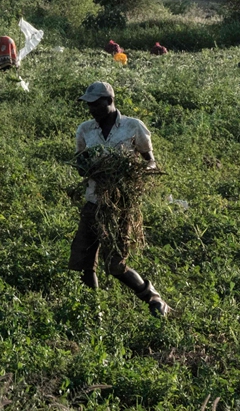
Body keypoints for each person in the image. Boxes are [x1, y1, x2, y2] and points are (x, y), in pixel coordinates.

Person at [71, 81, 171, 318]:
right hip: (94, 200)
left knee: (115, 264)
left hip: (120, 204)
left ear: (109, 101)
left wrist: (131, 172)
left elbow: (151, 162)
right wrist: (91, 169)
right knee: (82, 262)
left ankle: (154, 299)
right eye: (89, 105)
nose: (91, 109)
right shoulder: (85, 130)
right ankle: (93, 314)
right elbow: (79, 162)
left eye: (96, 104)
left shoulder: (133, 127)